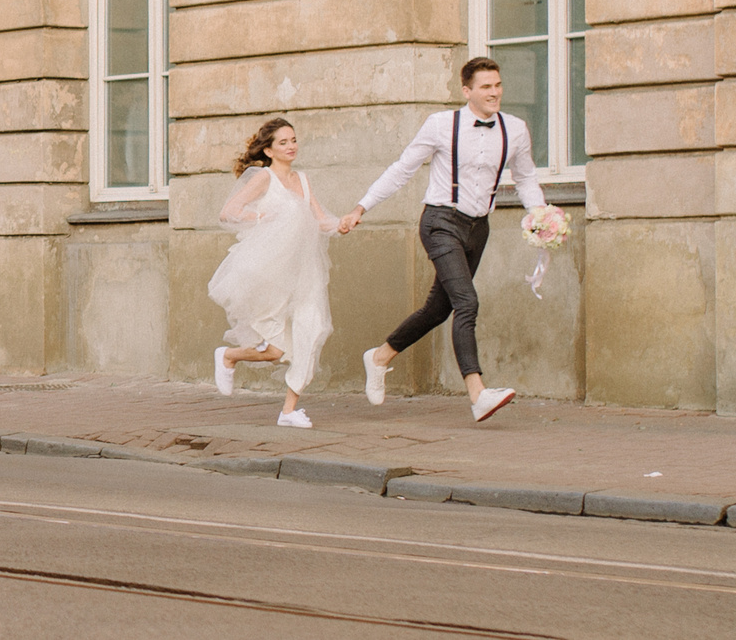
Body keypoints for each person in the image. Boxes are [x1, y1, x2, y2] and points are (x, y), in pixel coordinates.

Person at [334, 57, 543, 423]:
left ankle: (380, 356)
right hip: (441, 221)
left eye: (497, 85)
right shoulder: (441, 125)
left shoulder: (516, 129)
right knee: (467, 301)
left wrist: (541, 216)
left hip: (479, 228)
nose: (494, 93)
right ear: (467, 91)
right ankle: (478, 393)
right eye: (485, 87)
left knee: (439, 309)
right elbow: (403, 169)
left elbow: (525, 179)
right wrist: (361, 207)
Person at [208, 117, 340, 428]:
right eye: (283, 142)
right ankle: (229, 356)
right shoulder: (264, 179)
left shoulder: (303, 180)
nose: (291, 146)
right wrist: (261, 215)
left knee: (313, 330)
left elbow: (321, 220)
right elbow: (229, 212)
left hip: (304, 275)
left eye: (293, 140)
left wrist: (343, 223)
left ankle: (289, 411)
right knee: (276, 350)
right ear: (268, 150)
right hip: (268, 275)